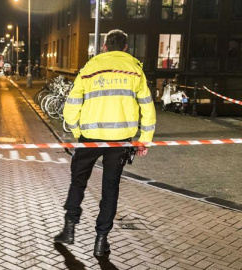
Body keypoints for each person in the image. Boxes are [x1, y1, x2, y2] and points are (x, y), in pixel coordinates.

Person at [54, 29, 156, 257]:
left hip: (89, 138)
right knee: (110, 188)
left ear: (104, 47)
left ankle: (69, 228)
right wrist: (144, 140)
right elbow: (147, 107)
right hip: (120, 140)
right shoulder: (135, 71)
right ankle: (101, 240)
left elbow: (72, 104)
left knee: (78, 181)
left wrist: (77, 130)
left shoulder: (89, 68)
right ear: (126, 48)